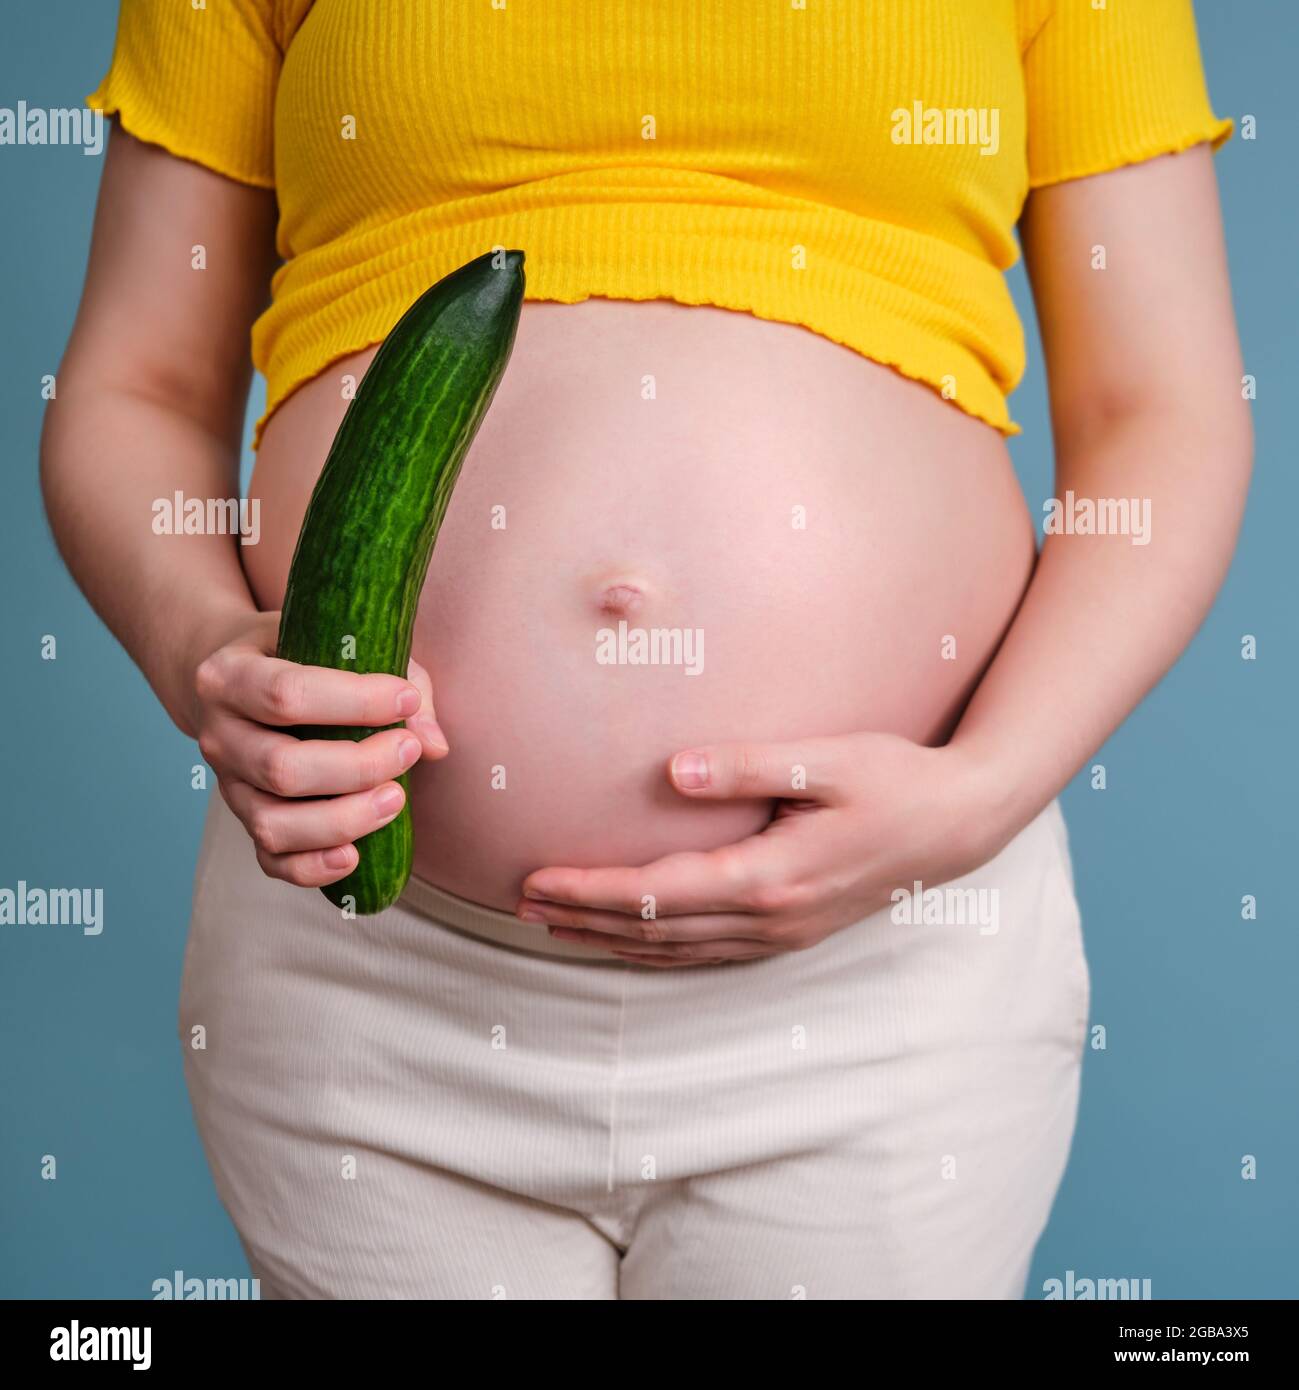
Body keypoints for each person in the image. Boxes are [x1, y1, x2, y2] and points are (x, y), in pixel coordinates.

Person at [42, 0, 1250, 1299]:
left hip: (878, 982)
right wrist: (207, 649)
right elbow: (136, 389)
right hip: (371, 973)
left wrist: (986, 790)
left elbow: (1161, 411)